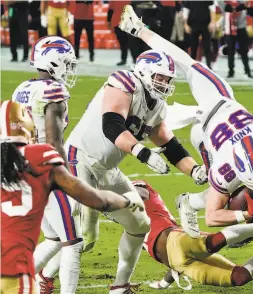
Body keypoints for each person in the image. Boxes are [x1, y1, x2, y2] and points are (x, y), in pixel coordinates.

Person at [120, 5, 253, 243]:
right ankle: (190, 202)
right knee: (225, 192)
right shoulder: (231, 165)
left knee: (228, 189)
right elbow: (212, 217)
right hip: (209, 118)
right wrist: (245, 214)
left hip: (211, 117)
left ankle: (193, 200)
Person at [61, 48, 206, 293]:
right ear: (145, 71)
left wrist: (195, 171)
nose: (165, 83)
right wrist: (142, 152)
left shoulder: (156, 104)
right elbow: (112, 125)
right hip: (79, 161)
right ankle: (42, 274)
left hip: (107, 170)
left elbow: (169, 144)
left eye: (168, 79)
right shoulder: (123, 82)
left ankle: (120, 286)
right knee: (81, 236)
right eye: (160, 77)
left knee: (140, 224)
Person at [0, 100, 145, 294]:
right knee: (71, 241)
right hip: (15, 273)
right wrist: (128, 201)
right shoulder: (40, 156)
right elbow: (97, 200)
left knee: (55, 239)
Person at [132, 180, 253, 289]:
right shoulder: (130, 228)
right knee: (240, 278)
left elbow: (138, 190)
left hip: (175, 241)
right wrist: (164, 283)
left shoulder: (139, 193)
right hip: (183, 265)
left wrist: (116, 195)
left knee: (214, 242)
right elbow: (170, 260)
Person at [10, 35, 82, 294]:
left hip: (21, 170)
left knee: (53, 238)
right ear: (54, 61)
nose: (70, 68)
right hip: (45, 172)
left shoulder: (22, 88)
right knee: (72, 243)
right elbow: (53, 140)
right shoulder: (54, 90)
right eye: (67, 62)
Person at [107, 0, 133, 66]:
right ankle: (124, 59)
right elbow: (110, 10)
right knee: (123, 43)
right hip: (118, 22)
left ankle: (133, 59)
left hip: (128, 23)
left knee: (130, 43)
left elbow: (110, 10)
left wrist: (109, 21)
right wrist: (109, 21)